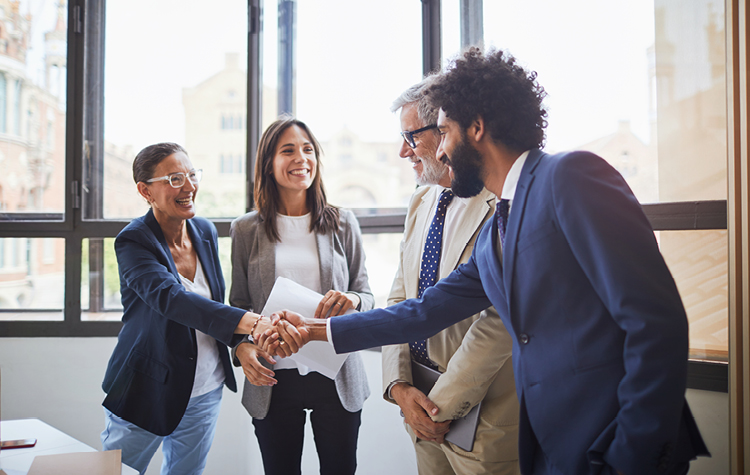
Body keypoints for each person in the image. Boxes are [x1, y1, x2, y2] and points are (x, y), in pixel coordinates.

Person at [272, 48, 710, 475]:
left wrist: (631, 455)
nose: (439, 152)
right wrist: (315, 331)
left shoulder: (571, 176)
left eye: (442, 132)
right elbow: (424, 311)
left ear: (476, 127)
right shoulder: (499, 227)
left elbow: (656, 323)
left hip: (612, 445)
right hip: (551, 447)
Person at [101, 142, 294, 475]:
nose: (189, 186)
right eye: (175, 178)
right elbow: (171, 299)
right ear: (145, 190)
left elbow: (213, 306)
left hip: (205, 389)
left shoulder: (203, 230)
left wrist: (240, 343)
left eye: (191, 174)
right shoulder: (134, 241)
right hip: (146, 388)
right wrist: (253, 323)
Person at [383, 76, 519, 474]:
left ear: (446, 129)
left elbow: (499, 322)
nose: (402, 151)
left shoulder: (500, 204)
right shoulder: (421, 199)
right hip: (417, 405)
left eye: (411, 137)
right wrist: (399, 386)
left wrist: (440, 405)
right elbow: (400, 299)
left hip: (482, 418)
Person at [230, 116, 373, 475]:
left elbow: (366, 294)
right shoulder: (246, 229)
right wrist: (240, 347)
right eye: (288, 150)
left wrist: (353, 300)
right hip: (274, 375)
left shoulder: (343, 221)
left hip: (336, 373)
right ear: (269, 163)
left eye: (308, 150)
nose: (301, 158)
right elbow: (238, 306)